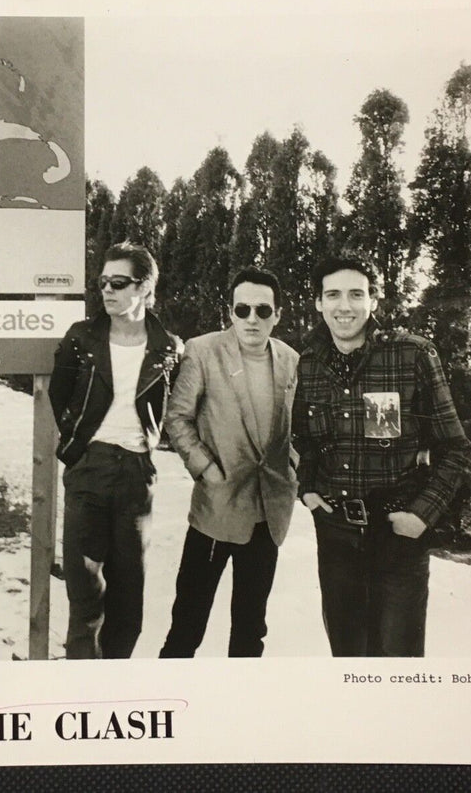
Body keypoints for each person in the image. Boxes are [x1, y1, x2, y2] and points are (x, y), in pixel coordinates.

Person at [292, 251, 471, 657]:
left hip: (397, 538)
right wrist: (308, 490)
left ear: (373, 300)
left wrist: (421, 515)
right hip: (336, 536)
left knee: (399, 666)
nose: (344, 306)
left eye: (356, 294)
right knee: (349, 661)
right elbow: (303, 441)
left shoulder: (411, 355)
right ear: (319, 303)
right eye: (333, 295)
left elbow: (457, 450)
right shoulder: (309, 365)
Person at [49, 242, 181, 659]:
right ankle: (80, 680)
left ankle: (117, 678)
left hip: (136, 476)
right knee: (84, 594)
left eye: (119, 283)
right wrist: (79, 445)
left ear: (144, 288)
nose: (107, 290)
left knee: (128, 601)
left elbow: (172, 406)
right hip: (89, 469)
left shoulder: (167, 347)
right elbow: (60, 395)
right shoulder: (81, 338)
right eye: (103, 282)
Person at [160, 267, 300, 658]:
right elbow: (177, 417)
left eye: (262, 310)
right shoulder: (203, 351)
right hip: (216, 510)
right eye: (242, 309)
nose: (252, 319)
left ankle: (240, 712)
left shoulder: (290, 360)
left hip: (268, 514)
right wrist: (205, 469)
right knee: (186, 628)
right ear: (230, 312)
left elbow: (295, 426)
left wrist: (292, 466)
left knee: (251, 632)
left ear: (277, 314)